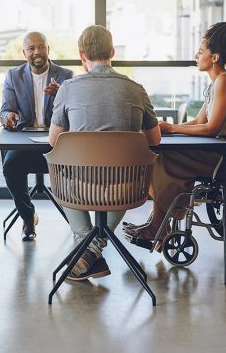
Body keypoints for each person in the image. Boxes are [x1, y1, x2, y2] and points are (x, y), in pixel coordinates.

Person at [49, 25, 161, 280]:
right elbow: (154, 139)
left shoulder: (68, 88)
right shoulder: (136, 89)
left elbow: (55, 140)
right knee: (125, 171)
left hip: (78, 187)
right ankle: (93, 249)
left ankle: (85, 245)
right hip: (126, 187)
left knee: (60, 166)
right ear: (112, 52)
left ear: (81, 55)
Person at [124, 21, 226, 242]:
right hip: (223, 148)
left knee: (163, 158)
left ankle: (158, 226)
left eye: (201, 51)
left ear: (215, 57)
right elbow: (198, 121)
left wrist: (172, 127)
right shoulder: (217, 83)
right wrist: (168, 129)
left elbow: (212, 128)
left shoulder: (224, 81)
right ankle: (158, 223)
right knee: (163, 155)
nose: (196, 54)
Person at [1, 31, 73, 241]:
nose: (37, 52)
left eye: (41, 47)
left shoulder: (65, 76)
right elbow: (5, 109)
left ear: (48, 49)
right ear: (24, 53)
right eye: (31, 48)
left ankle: (78, 220)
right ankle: (28, 216)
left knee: (76, 165)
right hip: (25, 142)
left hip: (56, 142)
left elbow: (76, 112)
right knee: (10, 166)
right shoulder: (14, 75)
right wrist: (9, 117)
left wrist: (62, 94)